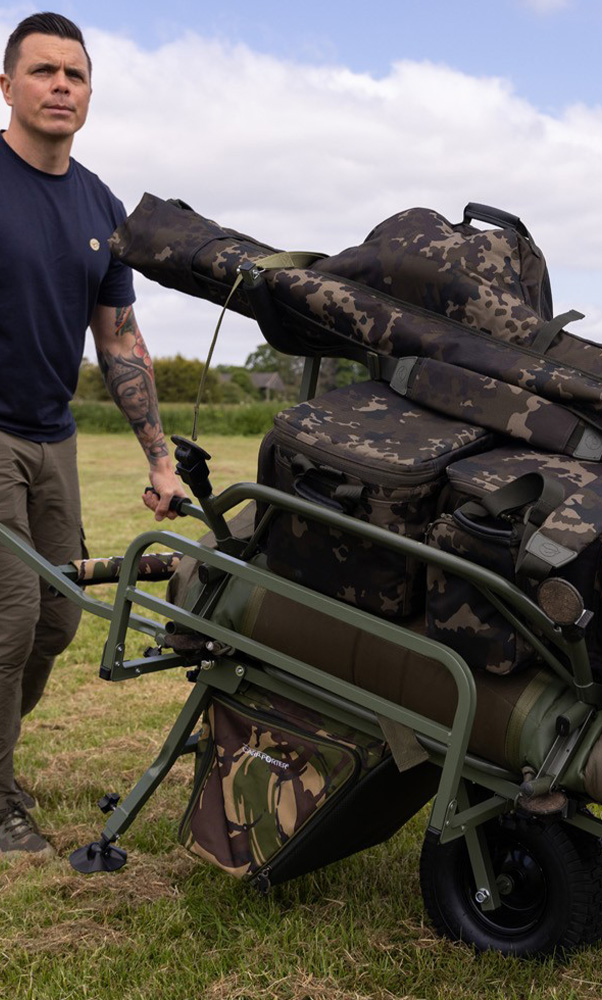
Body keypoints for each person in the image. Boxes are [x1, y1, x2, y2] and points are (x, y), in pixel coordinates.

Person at [0, 12, 187, 859]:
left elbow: (117, 337)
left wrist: (158, 453)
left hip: (54, 435)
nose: (60, 87)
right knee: (7, 618)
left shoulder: (100, 205)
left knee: (59, 619)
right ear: (8, 85)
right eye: (43, 72)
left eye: (74, 75)